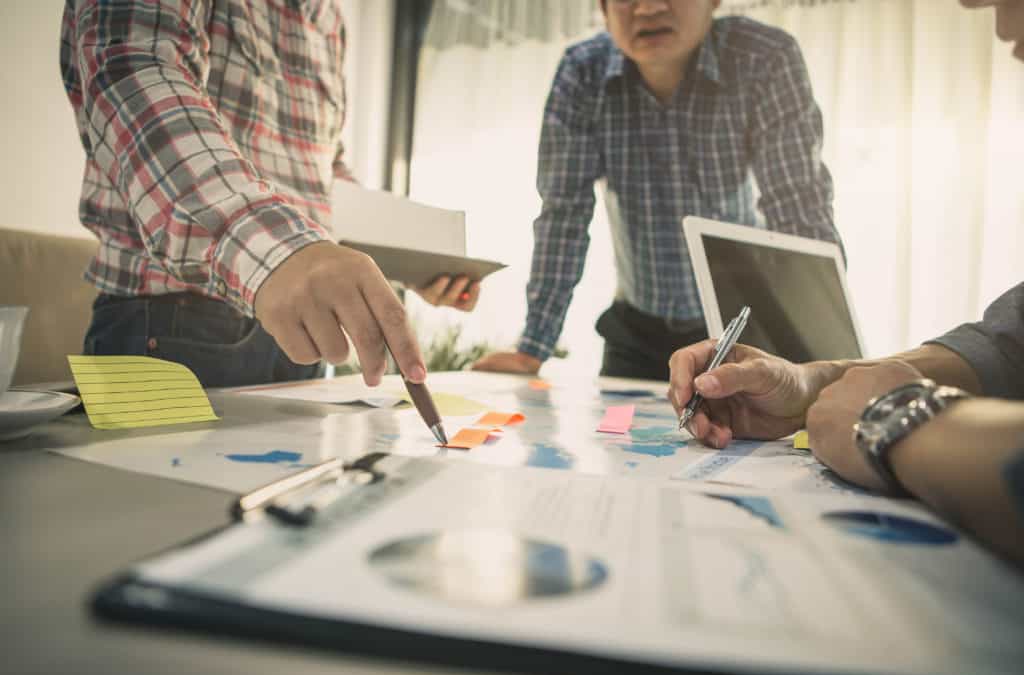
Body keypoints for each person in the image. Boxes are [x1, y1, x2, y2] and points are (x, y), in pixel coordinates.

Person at [667, 0, 1024, 567]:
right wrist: (811, 381)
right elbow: (1002, 350)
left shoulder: (764, 56)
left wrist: (898, 421)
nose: (993, 16)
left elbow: (797, 201)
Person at [61, 0, 478, 388]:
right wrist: (278, 252)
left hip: (300, 331)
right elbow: (134, 70)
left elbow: (322, 170)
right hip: (169, 320)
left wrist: (408, 261)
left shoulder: (327, 17)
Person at [474, 0, 840, 381]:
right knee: (612, 437)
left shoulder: (764, 59)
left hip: (740, 330)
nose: (648, 8)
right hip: (635, 332)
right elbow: (564, 214)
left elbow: (797, 206)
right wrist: (532, 348)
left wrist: (818, 359)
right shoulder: (582, 72)